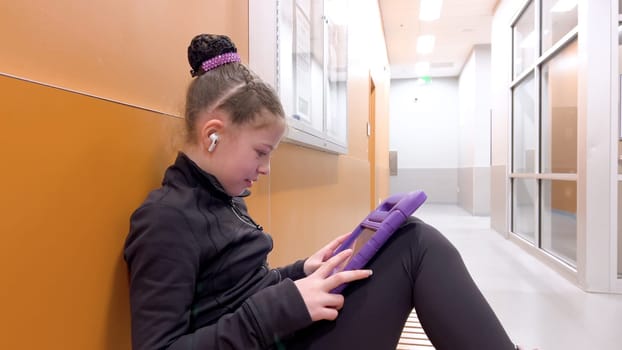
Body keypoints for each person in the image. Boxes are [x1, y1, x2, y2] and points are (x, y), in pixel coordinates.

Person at [124, 33, 522, 350]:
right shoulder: (166, 218)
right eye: (261, 152)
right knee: (417, 246)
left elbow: (241, 288)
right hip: (274, 333)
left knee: (410, 238)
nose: (265, 168)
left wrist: (301, 272)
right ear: (213, 135)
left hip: (279, 329)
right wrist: (286, 304)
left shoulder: (223, 198)